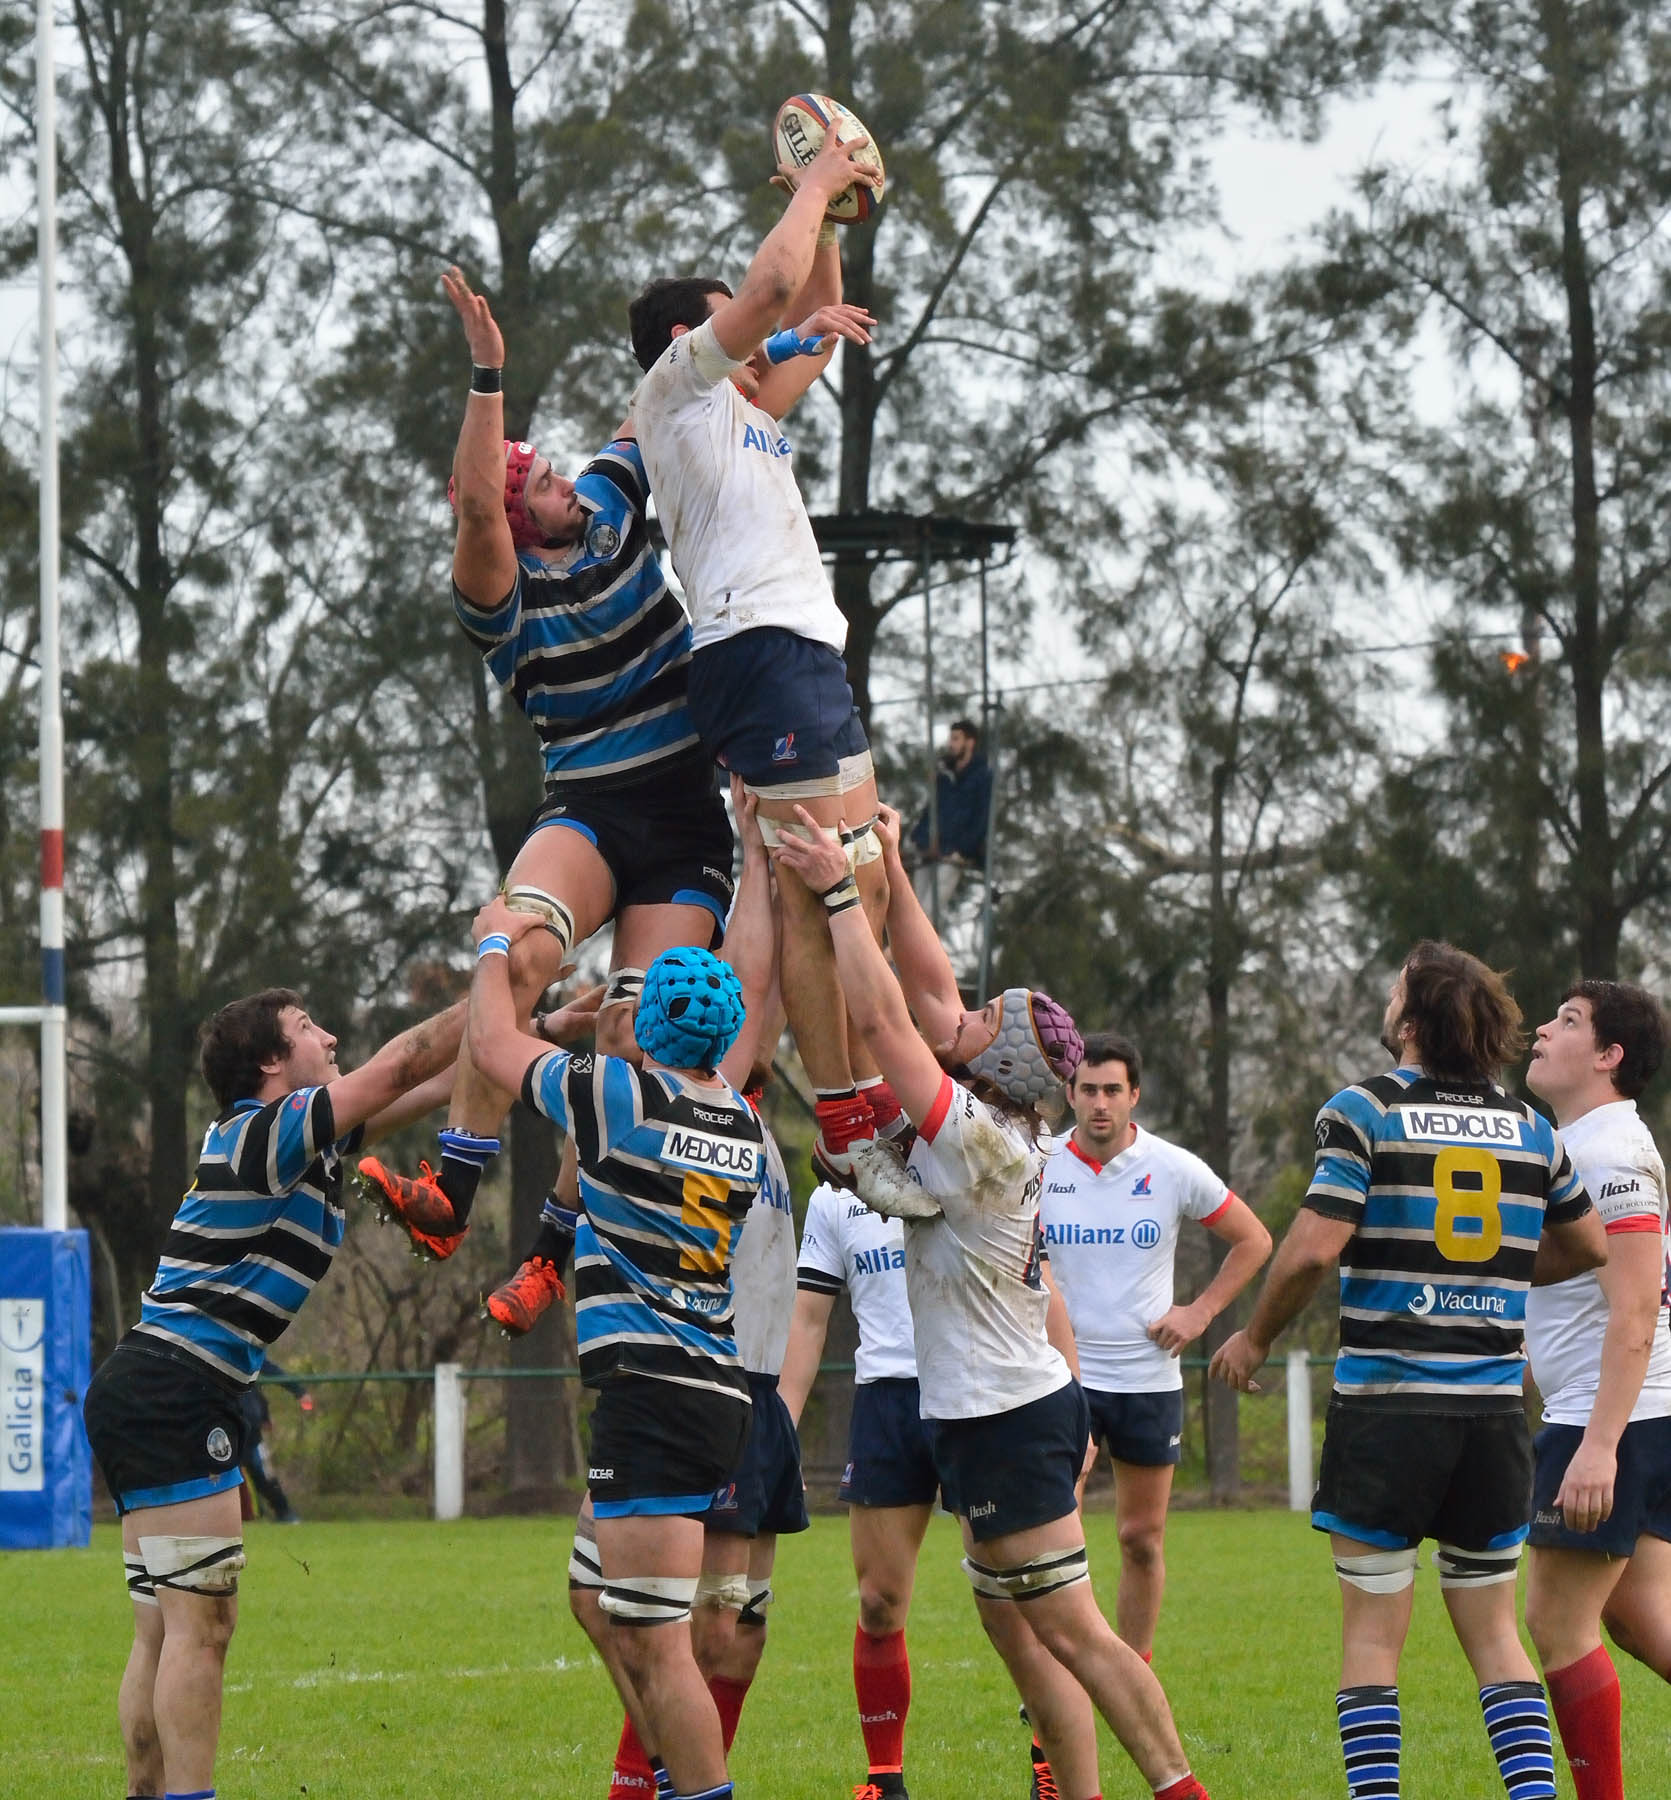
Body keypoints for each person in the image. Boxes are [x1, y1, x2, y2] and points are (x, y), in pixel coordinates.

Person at [775, 801, 1215, 1800]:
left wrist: (840, 894)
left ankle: (1180, 1789)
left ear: (997, 1057)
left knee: (1075, 1633)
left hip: (1009, 1414)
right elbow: (930, 991)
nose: (960, 1015)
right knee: (1021, 1639)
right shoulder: (990, 1118)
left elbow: (887, 1019)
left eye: (980, 1023)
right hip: (979, 1412)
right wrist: (892, 864)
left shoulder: (975, 1138)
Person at [359, 264, 736, 1259]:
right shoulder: (504, 602)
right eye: (541, 482)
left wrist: (774, 312)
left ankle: (551, 1250)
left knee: (632, 1030)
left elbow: (664, 394)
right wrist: (487, 373)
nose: (567, 483)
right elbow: (478, 513)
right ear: (518, 517)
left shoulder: (608, 507)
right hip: (591, 809)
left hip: (686, 820)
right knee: (519, 951)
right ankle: (453, 1186)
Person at [1211, 941, 1609, 1800]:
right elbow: (1587, 1245)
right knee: (1495, 1637)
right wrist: (1495, 1274)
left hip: (1387, 1408)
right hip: (1491, 1418)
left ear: (1411, 1021)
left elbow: (1310, 1251)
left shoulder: (1365, 1110)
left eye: (1396, 991)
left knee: (1370, 1637)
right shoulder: (1530, 1127)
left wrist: (1255, 1338)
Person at [81, 987, 467, 1800]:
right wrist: (503, 973)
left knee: (164, 1629)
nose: (329, 1037)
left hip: (155, 1383)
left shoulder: (306, 1142)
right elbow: (404, 1062)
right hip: (174, 1387)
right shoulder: (267, 1131)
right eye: (306, 1028)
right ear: (269, 1062)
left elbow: (436, 1081)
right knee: (201, 1625)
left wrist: (547, 1032)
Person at [625, 124, 907, 1190]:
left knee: (860, 879)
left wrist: (828, 223)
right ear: (688, 337)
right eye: (735, 324)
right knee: (813, 891)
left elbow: (810, 326)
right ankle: (842, 1118)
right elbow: (774, 289)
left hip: (802, 653)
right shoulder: (677, 392)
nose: (763, 334)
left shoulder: (741, 409)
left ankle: (859, 1096)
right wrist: (817, 179)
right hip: (756, 652)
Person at [468, 829, 772, 1800]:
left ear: (649, 1029)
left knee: (654, 1636)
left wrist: (493, 945)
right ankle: (668, 1779)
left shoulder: (618, 1098)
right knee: (596, 1599)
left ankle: (695, 1789)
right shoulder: (739, 1118)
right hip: (704, 1386)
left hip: (656, 1389)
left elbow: (492, 1046)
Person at [1039, 1031, 1271, 1664]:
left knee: (1140, 1540)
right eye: (1089, 1090)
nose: (1100, 1104)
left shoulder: (1171, 1168)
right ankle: (1063, 1682)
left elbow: (1254, 1240)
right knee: (1057, 1540)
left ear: (1134, 1095)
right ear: (1070, 1093)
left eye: (1113, 1090)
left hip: (1147, 1381)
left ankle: (1132, 1677)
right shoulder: (1039, 1164)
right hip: (1061, 1380)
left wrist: (1200, 1312)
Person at [1521, 981, 1671, 1800]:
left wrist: (1598, 1447)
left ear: (1608, 1056)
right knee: (1641, 1622)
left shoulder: (1607, 1153)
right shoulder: (1580, 1142)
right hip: (1635, 1415)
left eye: (1568, 1021)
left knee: (1555, 1625)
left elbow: (1635, 1311)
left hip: (1610, 1419)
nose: (1543, 1030)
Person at [778, 1181, 935, 1800]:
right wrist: (781, 1429)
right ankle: (885, 1780)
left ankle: (1048, 1766)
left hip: (977, 1387)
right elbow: (808, 1318)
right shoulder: (833, 1195)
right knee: (878, 1602)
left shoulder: (961, 1147)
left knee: (1014, 1599)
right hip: (886, 1401)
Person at [908, 718, 992, 924]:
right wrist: (918, 838)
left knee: (928, 913)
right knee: (914, 909)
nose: (951, 744)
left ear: (970, 742)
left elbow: (982, 818)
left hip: (953, 854)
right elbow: (931, 809)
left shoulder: (982, 776)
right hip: (928, 848)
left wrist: (963, 850)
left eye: (956, 739)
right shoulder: (944, 774)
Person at [237, 1356, 313, 1524]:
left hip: (251, 1430)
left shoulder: (247, 1353)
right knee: (222, 1476)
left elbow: (269, 1372)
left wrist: (299, 1392)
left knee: (264, 1473)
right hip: (225, 1426)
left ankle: (284, 1513)